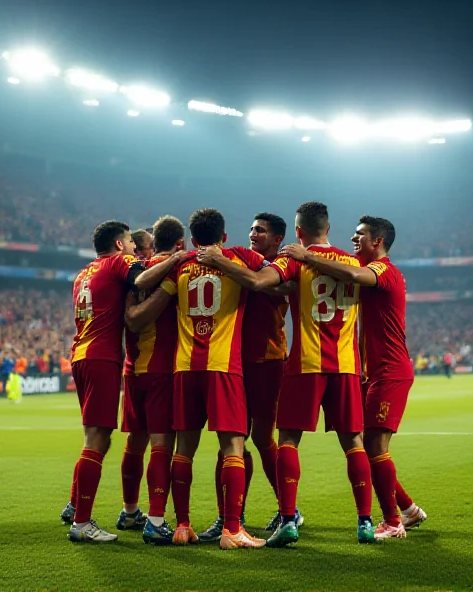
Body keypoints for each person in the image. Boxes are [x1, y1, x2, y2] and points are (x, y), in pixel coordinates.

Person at [197, 202, 375, 547]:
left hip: (273, 360)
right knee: (232, 441)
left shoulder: (286, 263)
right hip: (241, 361)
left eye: (260, 230)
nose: (252, 234)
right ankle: (232, 516)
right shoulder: (349, 261)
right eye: (250, 229)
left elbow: (263, 283)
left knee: (268, 439)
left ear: (289, 235)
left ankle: (287, 513)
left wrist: (218, 259)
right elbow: (357, 278)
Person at [281, 215, 426, 540]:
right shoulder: (365, 270)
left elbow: (349, 272)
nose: (353, 239)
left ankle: (392, 521)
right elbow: (338, 272)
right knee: (363, 443)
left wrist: (306, 256)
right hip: (368, 371)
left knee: (373, 444)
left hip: (389, 371)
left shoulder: (382, 270)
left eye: (360, 235)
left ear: (378, 241)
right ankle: (407, 509)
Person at [130, 208, 268, 550]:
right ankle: (232, 530)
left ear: (192, 239)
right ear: (223, 236)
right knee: (233, 445)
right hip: (223, 366)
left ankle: (182, 525)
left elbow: (143, 282)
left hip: (184, 367)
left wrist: (181, 257)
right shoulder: (239, 256)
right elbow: (275, 278)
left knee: (184, 450)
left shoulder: (182, 263)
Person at [63, 220, 141, 543]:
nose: (135, 248)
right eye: (131, 244)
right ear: (119, 245)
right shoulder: (119, 262)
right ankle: (81, 523)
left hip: (80, 354)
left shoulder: (84, 273)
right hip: (102, 357)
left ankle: (73, 505)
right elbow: (141, 278)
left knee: (92, 438)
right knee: (97, 439)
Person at [121, 215, 186, 545]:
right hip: (163, 368)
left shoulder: (132, 271)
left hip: (132, 370)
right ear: (179, 243)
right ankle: (157, 519)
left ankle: (130, 510)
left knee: (135, 442)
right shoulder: (177, 268)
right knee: (162, 445)